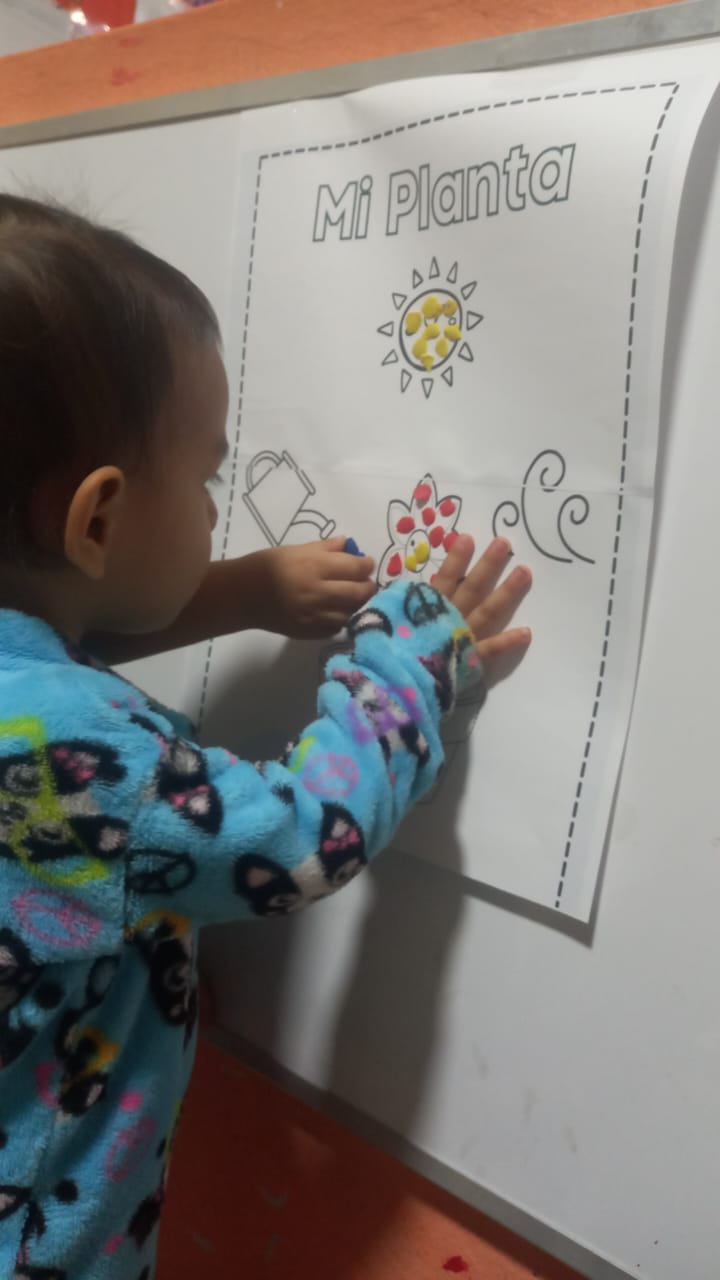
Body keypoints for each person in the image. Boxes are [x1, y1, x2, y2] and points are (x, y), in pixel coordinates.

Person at [0, 193, 531, 1280]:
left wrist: (237, 589)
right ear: (96, 521)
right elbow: (304, 833)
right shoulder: (94, 762)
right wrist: (415, 649)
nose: (215, 507)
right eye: (205, 477)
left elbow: (53, 643)